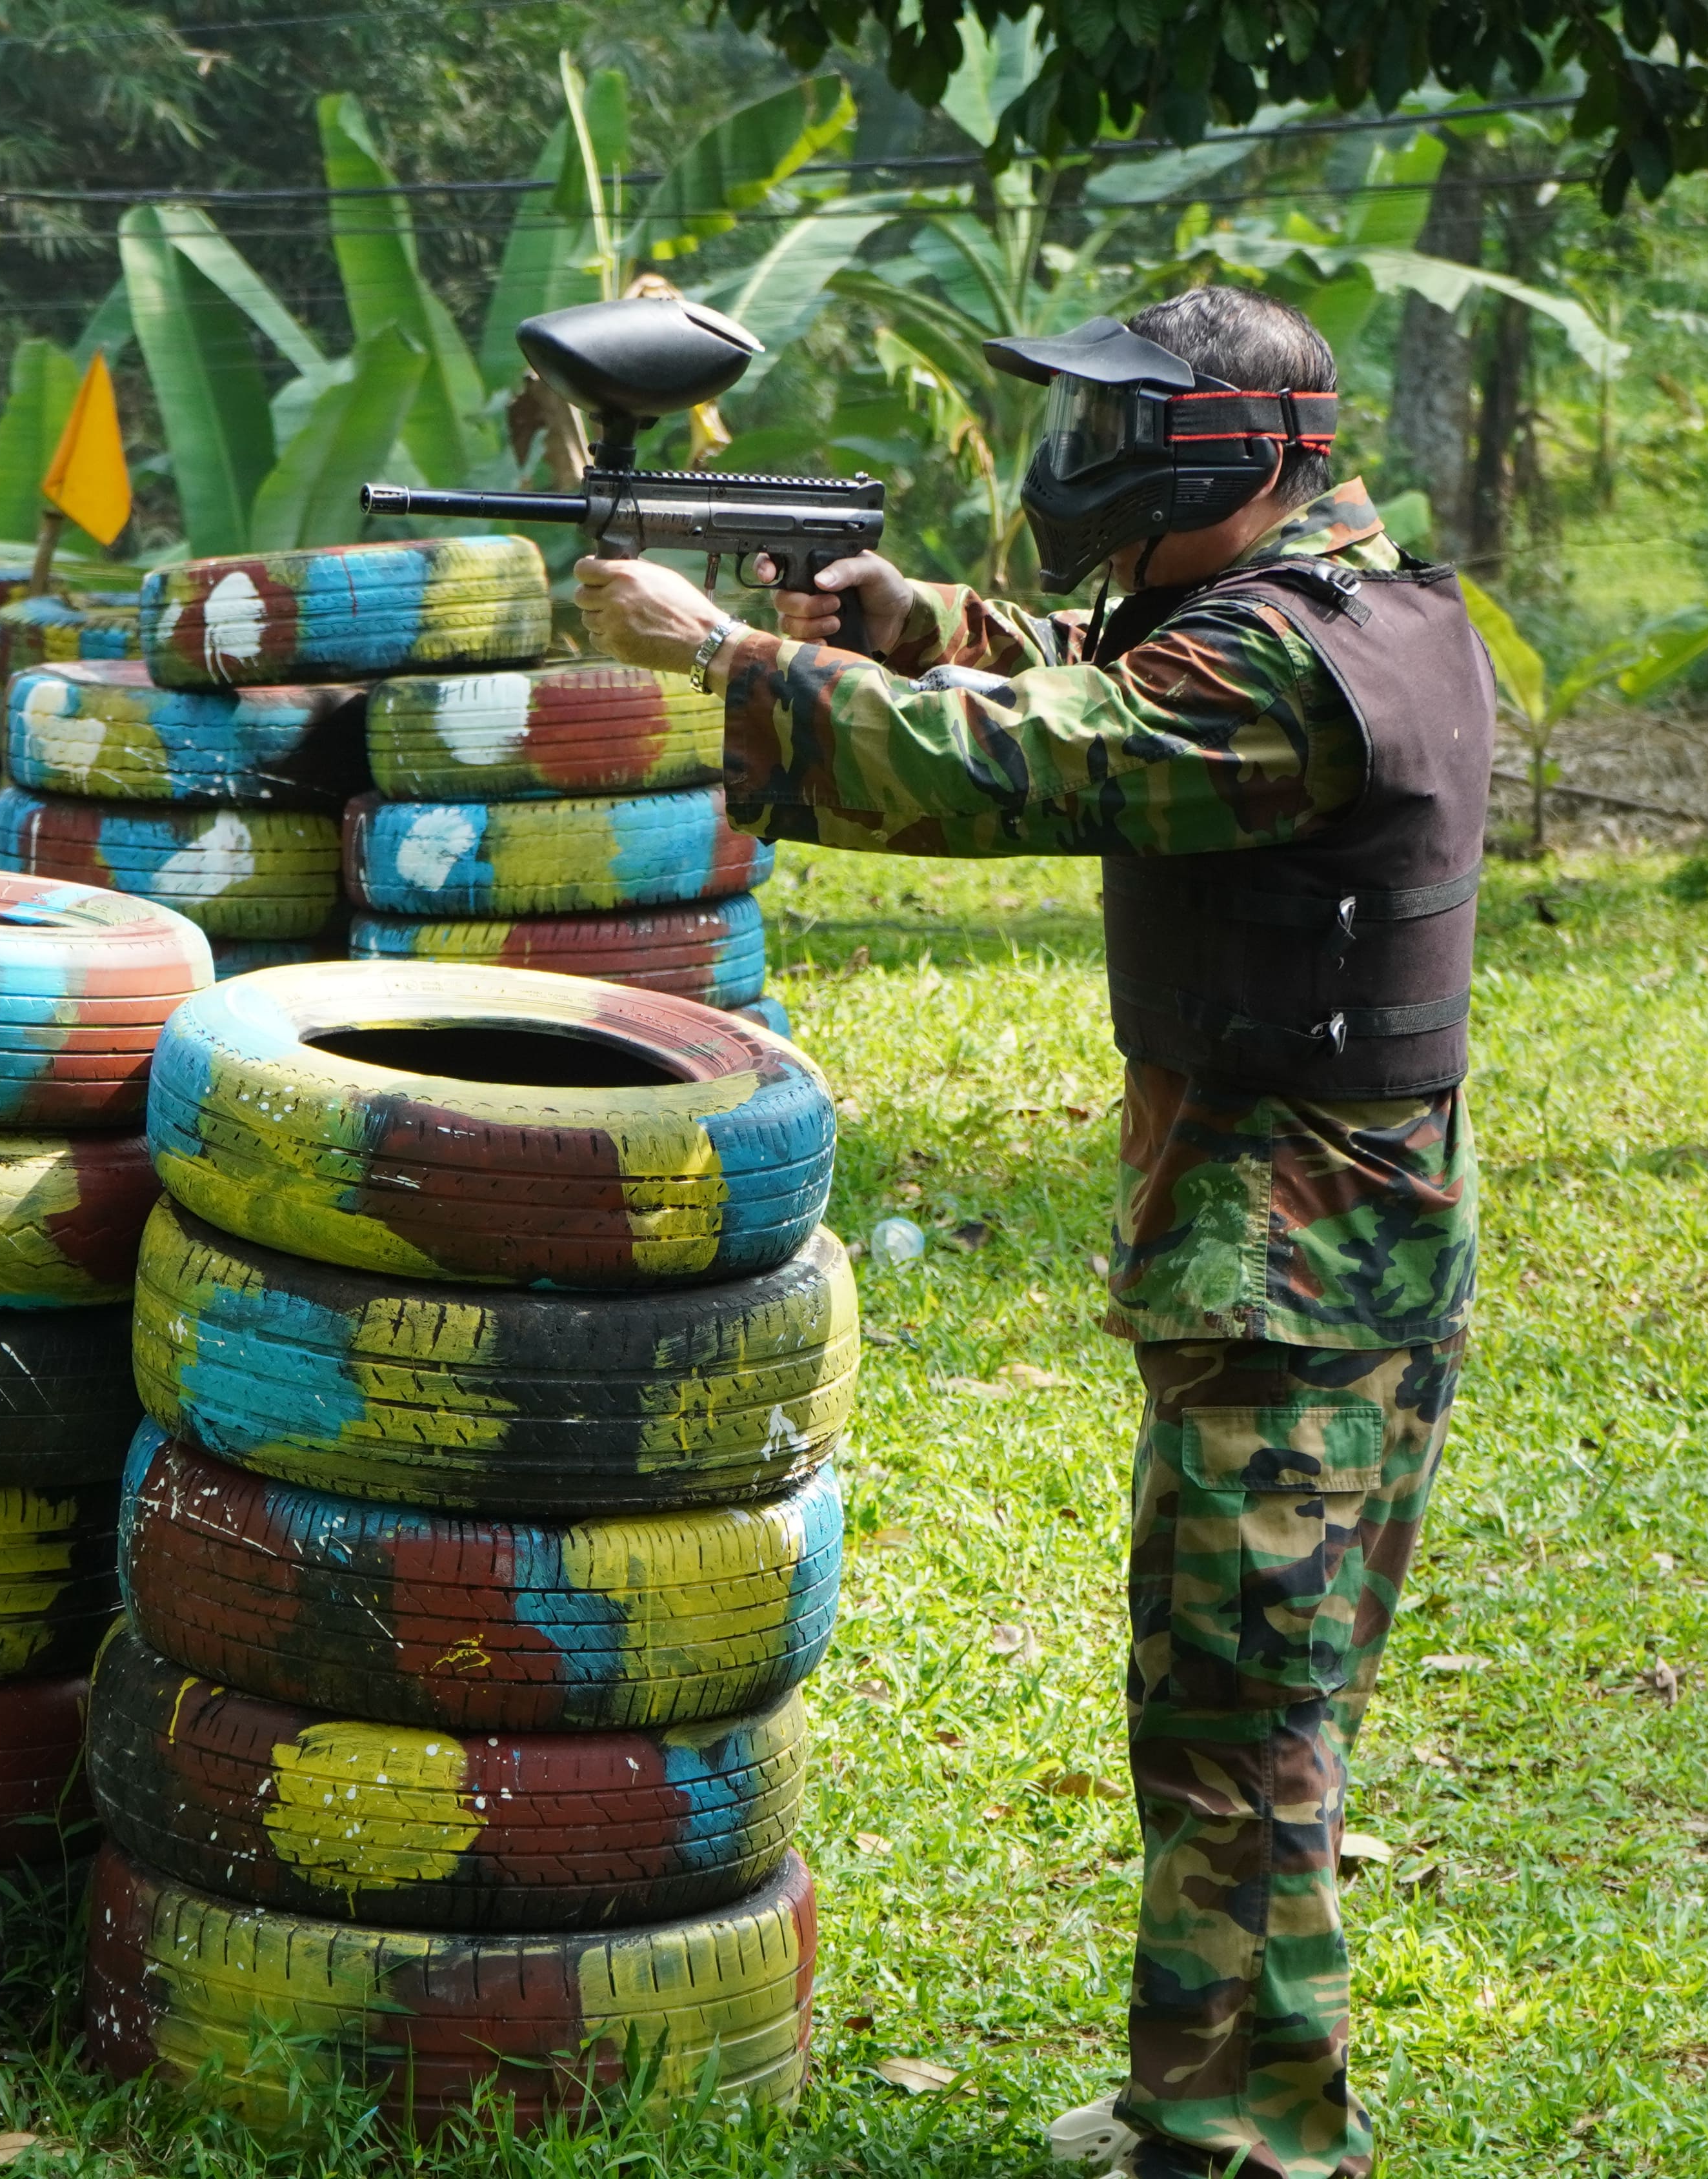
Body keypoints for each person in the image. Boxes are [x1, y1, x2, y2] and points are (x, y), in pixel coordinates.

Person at [576, 285, 1489, 2179]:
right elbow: (1080, 662)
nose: (1072, 469)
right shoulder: (1336, 603)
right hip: (1305, 1236)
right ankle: (1225, 2090)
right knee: (1229, 1693)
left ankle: (1236, 2136)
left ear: (1215, 454)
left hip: (1301, 1253)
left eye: (1107, 434)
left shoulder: (1288, 667)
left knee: (1241, 1706)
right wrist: (909, 621)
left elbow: (1031, 755)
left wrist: (727, 659)